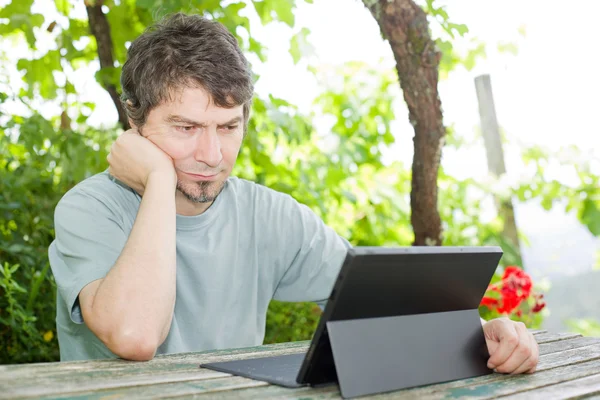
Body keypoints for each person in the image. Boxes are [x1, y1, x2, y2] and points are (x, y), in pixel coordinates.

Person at [48, 12, 539, 375]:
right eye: (185, 127)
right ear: (134, 121)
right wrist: (158, 181)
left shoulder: (269, 216)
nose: (212, 154)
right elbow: (134, 336)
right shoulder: (89, 211)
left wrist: (485, 331)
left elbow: (383, 303)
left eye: (227, 126)